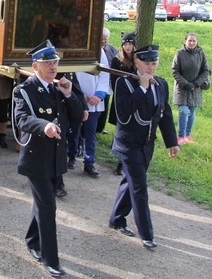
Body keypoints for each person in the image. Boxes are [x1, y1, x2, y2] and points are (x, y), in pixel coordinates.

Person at [13, 40, 84, 277]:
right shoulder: (24, 90)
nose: (53, 66)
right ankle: (50, 258)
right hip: (35, 158)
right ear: (36, 66)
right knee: (48, 206)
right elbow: (22, 118)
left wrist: (69, 93)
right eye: (48, 63)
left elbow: (78, 116)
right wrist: (44, 126)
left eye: (55, 62)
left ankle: (32, 240)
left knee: (43, 203)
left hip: (55, 158)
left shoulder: (58, 89)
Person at [108, 44, 180, 249]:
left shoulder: (162, 85)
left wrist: (172, 143)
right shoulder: (125, 83)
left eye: (154, 63)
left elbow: (164, 115)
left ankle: (117, 218)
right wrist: (142, 88)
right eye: (146, 63)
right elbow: (123, 114)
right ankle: (147, 233)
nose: (151, 67)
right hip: (128, 144)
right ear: (137, 62)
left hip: (146, 145)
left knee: (129, 182)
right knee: (139, 187)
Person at [73, 47, 112, 177]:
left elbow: (104, 72)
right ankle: (71, 156)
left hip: (93, 99)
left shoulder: (97, 50)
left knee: (90, 132)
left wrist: (99, 94)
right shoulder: (73, 48)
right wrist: (78, 93)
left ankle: (89, 162)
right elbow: (71, 72)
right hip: (78, 97)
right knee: (74, 129)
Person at [171, 32, 211, 145]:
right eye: (190, 40)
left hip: (196, 88)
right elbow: (175, 70)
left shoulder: (201, 53)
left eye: (194, 41)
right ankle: (181, 136)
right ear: (185, 41)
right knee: (183, 111)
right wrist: (185, 83)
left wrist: (196, 83)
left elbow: (206, 70)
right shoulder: (179, 53)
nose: (192, 43)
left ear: (197, 42)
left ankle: (188, 135)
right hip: (182, 88)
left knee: (192, 112)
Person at [107, 31, 137, 175]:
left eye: (130, 44)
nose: (128, 47)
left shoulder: (138, 60)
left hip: (135, 98)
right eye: (125, 44)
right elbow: (114, 81)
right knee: (121, 125)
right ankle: (119, 154)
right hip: (121, 98)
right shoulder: (116, 60)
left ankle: (123, 158)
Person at [96, 28, 119, 134]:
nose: (103, 41)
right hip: (95, 81)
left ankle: (100, 127)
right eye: (101, 38)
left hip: (107, 82)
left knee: (105, 105)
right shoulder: (94, 49)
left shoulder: (113, 50)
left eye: (105, 39)